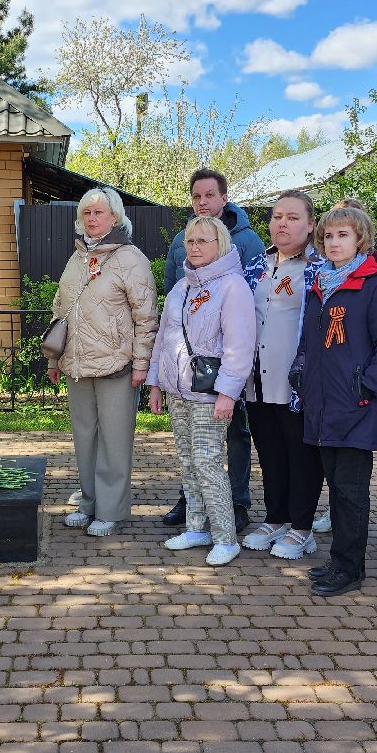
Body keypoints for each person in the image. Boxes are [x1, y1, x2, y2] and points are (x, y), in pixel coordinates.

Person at [296, 205, 377, 596]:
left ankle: (350, 568)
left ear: (359, 239)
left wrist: (367, 387)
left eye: (342, 235)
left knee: (351, 489)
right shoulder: (320, 283)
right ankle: (338, 560)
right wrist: (301, 371)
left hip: (356, 404)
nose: (334, 242)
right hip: (322, 403)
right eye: (328, 236)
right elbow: (309, 341)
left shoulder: (375, 283)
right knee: (334, 486)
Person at [49, 187, 159, 537]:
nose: (92, 219)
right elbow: (60, 308)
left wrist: (141, 363)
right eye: (87, 214)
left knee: (114, 439)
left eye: (99, 212)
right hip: (77, 365)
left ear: (115, 217)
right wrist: (55, 357)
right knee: (85, 437)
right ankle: (89, 502)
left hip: (117, 365)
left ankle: (110, 510)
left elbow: (146, 317)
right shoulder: (77, 257)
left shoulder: (131, 258)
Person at [161, 167, 265, 532]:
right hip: (188, 367)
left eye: (209, 195)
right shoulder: (181, 240)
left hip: (226, 360)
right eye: (196, 196)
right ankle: (193, 504)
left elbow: (250, 302)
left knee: (235, 432)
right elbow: (175, 294)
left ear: (224, 198)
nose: (202, 202)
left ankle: (236, 501)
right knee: (192, 448)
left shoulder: (247, 240)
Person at [148, 215, 255, 566]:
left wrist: (228, 393)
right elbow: (163, 339)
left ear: (219, 245)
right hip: (178, 389)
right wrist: (155, 383)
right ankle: (196, 526)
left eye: (202, 241)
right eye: (190, 241)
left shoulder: (233, 286)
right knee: (187, 461)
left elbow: (240, 346)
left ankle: (225, 536)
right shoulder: (181, 287)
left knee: (208, 462)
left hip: (209, 394)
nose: (194, 247)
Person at [240, 190, 325, 560]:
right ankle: (276, 518)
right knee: (270, 452)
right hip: (257, 381)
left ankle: (303, 527)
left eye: (292, 217)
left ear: (310, 225)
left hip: (297, 385)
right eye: (277, 216)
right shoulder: (256, 265)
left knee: (302, 454)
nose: (282, 223)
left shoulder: (320, 268)